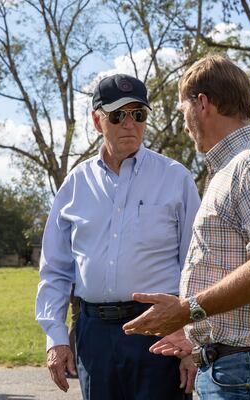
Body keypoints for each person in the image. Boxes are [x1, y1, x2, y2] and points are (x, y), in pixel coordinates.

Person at [123, 55, 250, 400]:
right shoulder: (230, 168)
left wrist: (188, 310)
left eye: (183, 111)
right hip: (237, 368)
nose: (185, 124)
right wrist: (198, 334)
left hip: (249, 370)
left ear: (202, 103)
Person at [35, 73, 201, 399]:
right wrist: (55, 337)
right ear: (97, 121)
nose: (129, 124)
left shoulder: (176, 178)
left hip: (160, 331)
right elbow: (55, 269)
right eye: (117, 115)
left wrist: (190, 339)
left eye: (138, 114)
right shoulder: (75, 184)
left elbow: (195, 266)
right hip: (94, 335)